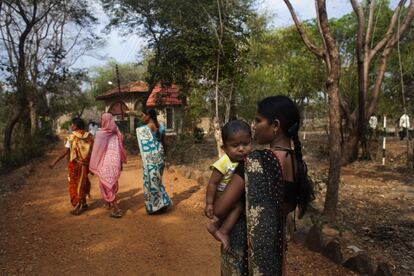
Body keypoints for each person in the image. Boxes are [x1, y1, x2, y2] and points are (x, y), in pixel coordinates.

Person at [214, 96, 314, 275]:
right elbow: (285, 207)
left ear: (275, 125)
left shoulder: (256, 162)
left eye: (258, 120)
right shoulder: (296, 162)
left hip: (242, 250)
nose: (253, 126)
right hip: (272, 252)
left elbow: (220, 209)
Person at [205, 120, 252, 251]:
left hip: (230, 193)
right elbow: (213, 183)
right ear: (224, 148)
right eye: (235, 146)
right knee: (238, 205)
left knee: (237, 205)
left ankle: (215, 226)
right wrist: (209, 203)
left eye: (246, 144)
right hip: (221, 194)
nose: (242, 148)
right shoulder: (223, 162)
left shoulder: (248, 160)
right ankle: (223, 231)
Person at [49, 118, 94, 215]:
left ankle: (79, 205)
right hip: (85, 165)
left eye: (72, 125)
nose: (71, 126)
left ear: (76, 126)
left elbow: (65, 151)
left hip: (75, 165)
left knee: (75, 185)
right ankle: (84, 203)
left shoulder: (72, 137)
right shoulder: (89, 136)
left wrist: (54, 162)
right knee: (83, 182)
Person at [89, 113, 127, 218]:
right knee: (111, 185)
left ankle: (116, 208)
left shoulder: (101, 134)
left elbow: (96, 151)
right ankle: (108, 203)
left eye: (102, 119)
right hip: (115, 164)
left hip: (104, 165)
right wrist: (120, 164)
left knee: (106, 186)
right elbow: (120, 149)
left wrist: (93, 164)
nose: (101, 121)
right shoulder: (117, 133)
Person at [136, 108, 172, 214]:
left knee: (152, 182)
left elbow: (145, 144)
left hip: (152, 158)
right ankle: (163, 203)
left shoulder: (146, 128)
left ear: (149, 116)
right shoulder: (161, 126)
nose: (142, 117)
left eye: (144, 115)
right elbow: (164, 143)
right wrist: (165, 156)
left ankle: (156, 207)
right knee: (158, 181)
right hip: (160, 155)